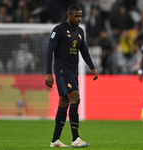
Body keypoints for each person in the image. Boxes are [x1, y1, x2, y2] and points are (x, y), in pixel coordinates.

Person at [45, 5, 98, 148]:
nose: (79, 18)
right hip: (62, 70)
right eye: (76, 16)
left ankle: (55, 140)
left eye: (80, 16)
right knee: (75, 98)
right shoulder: (58, 30)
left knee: (64, 103)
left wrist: (92, 67)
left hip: (73, 71)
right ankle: (76, 139)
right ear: (68, 16)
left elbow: (84, 51)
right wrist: (48, 73)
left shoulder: (80, 32)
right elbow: (50, 50)